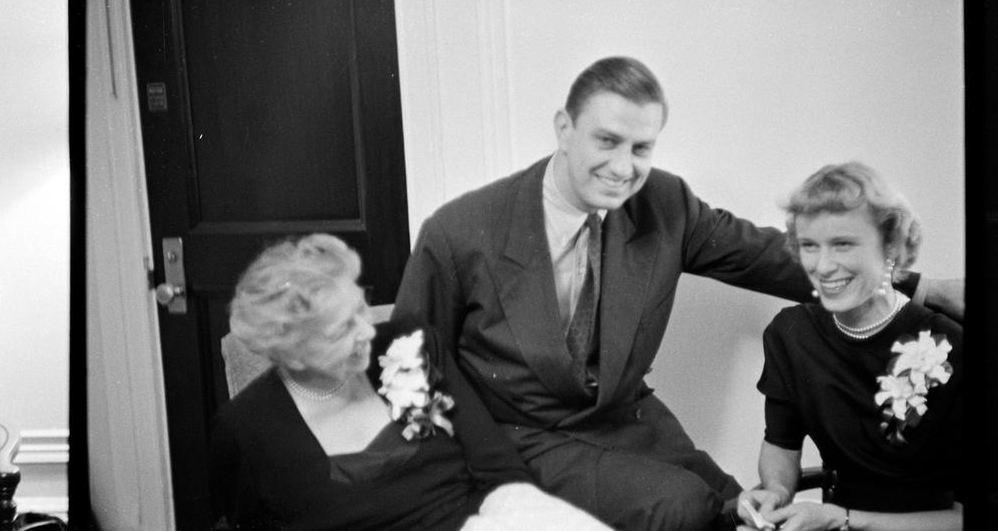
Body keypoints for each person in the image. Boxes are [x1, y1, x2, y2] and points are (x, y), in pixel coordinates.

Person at [392, 55, 963, 531]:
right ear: (564, 128)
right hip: (521, 439)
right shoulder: (461, 230)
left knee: (744, 509)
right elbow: (408, 368)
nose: (623, 168)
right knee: (682, 506)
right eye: (607, 141)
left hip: (629, 424)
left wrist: (921, 285)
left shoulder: (665, 203)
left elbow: (771, 255)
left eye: (641, 148)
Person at [208, 234, 601, 531]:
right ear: (292, 354)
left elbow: (499, 469)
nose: (367, 330)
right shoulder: (247, 428)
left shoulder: (410, 345)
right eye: (342, 329)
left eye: (360, 308)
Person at [738, 163, 963, 531]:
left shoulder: (951, 343)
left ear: (890, 246)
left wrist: (843, 520)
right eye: (810, 246)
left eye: (843, 244)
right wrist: (776, 493)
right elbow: (781, 443)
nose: (823, 267)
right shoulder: (790, 332)